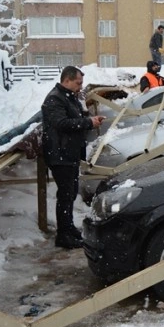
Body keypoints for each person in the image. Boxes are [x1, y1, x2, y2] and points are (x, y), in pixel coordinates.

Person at [41, 66, 105, 249]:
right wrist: (87, 122)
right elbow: (61, 123)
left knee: (69, 194)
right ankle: (63, 235)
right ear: (67, 80)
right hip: (60, 155)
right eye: (78, 83)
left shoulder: (69, 97)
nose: (80, 86)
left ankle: (68, 229)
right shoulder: (55, 99)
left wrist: (90, 120)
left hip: (69, 153)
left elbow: (75, 117)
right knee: (65, 195)